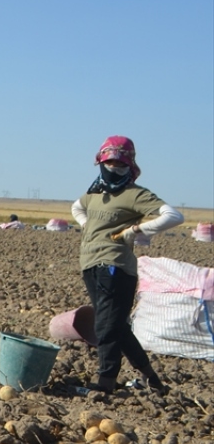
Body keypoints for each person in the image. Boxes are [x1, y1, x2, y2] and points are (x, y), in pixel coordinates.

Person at [71, 136, 184, 394]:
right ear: (100, 162)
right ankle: (152, 379)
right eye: (110, 163)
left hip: (116, 267)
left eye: (121, 165)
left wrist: (136, 229)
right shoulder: (94, 194)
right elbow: (76, 207)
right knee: (117, 326)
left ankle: (105, 383)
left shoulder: (135, 194)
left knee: (106, 326)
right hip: (90, 265)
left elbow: (174, 216)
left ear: (130, 167)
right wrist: (86, 225)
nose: (114, 169)